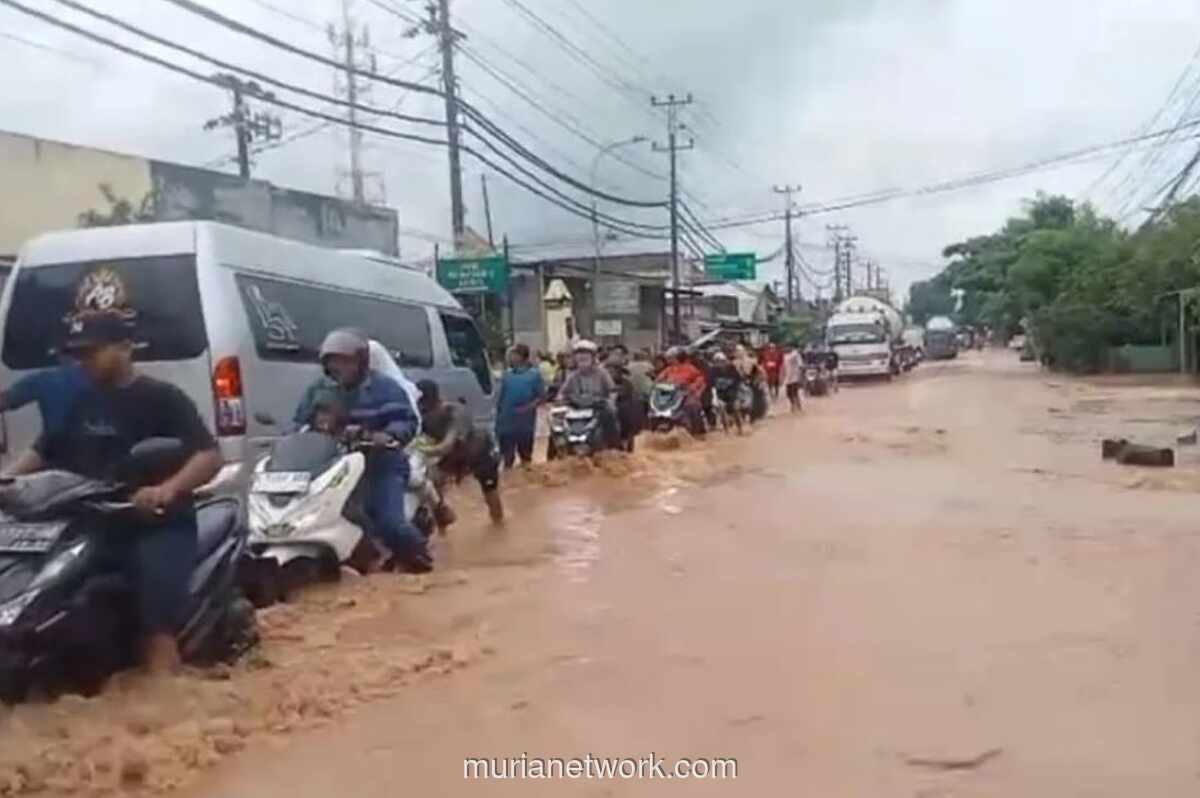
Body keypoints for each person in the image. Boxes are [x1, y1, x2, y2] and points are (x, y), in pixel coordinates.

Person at [5, 312, 222, 675]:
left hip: (156, 524)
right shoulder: (82, 400)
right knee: (40, 588)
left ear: (124, 347)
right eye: (78, 354)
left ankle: (164, 682)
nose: (83, 362)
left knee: (154, 617)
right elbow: (44, 450)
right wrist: (7, 480)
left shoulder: (162, 398)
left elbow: (209, 455)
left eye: (92, 351)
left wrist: (166, 489)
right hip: (94, 522)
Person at [294, 329, 429, 572]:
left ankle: (419, 556)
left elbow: (406, 420)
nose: (339, 367)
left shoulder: (384, 388)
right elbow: (298, 423)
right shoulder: (317, 390)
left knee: (390, 524)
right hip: (333, 466)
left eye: (346, 361)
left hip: (380, 465)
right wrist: (294, 437)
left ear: (362, 361)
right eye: (333, 361)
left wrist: (387, 435)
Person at [416, 379, 505, 524]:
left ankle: (499, 526)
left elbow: (446, 446)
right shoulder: (422, 416)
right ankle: (442, 525)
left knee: (490, 494)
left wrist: (421, 450)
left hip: (481, 453)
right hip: (453, 457)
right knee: (432, 484)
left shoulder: (455, 412)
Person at [558, 339, 619, 449]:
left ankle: (613, 448)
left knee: (609, 416)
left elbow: (612, 390)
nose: (582, 357)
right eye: (579, 354)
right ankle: (555, 456)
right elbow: (562, 393)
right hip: (576, 408)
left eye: (586, 354)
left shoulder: (602, 373)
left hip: (597, 408)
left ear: (593, 357)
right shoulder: (572, 376)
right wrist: (560, 400)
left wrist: (610, 402)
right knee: (557, 426)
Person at [495, 343, 544, 469]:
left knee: (526, 458)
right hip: (506, 423)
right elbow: (500, 398)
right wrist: (498, 418)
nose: (509, 357)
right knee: (507, 459)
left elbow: (541, 397)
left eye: (512, 354)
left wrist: (528, 407)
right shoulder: (506, 375)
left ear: (521, 357)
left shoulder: (534, 375)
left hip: (525, 423)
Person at [657, 346, 707, 435]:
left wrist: (693, 387)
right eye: (668, 358)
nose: (669, 360)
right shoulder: (668, 369)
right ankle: (663, 423)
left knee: (692, 406)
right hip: (671, 395)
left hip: (687, 395)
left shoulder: (690, 368)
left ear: (678, 357)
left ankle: (697, 429)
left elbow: (700, 379)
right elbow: (659, 379)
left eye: (671, 358)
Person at [605, 344, 644, 452]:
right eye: (608, 370)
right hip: (602, 411)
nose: (610, 372)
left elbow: (630, 399)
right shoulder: (599, 382)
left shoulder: (626, 383)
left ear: (619, 371)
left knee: (623, 410)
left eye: (613, 370)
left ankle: (623, 439)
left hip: (620, 414)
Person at [709, 351, 744, 431]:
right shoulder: (713, 370)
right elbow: (710, 382)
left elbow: (738, 379)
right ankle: (726, 431)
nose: (719, 363)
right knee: (721, 409)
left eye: (720, 361)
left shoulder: (731, 367)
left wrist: (732, 385)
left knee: (735, 408)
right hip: (720, 393)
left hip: (732, 392)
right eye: (717, 361)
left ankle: (740, 428)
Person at [782, 343, 805, 412]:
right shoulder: (785, 355)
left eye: (787, 347)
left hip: (795, 376)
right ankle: (794, 404)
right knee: (788, 393)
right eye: (785, 347)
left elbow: (800, 365)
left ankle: (796, 406)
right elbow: (784, 367)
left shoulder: (795, 354)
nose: (785, 348)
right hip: (787, 377)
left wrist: (800, 375)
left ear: (791, 347)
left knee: (795, 392)